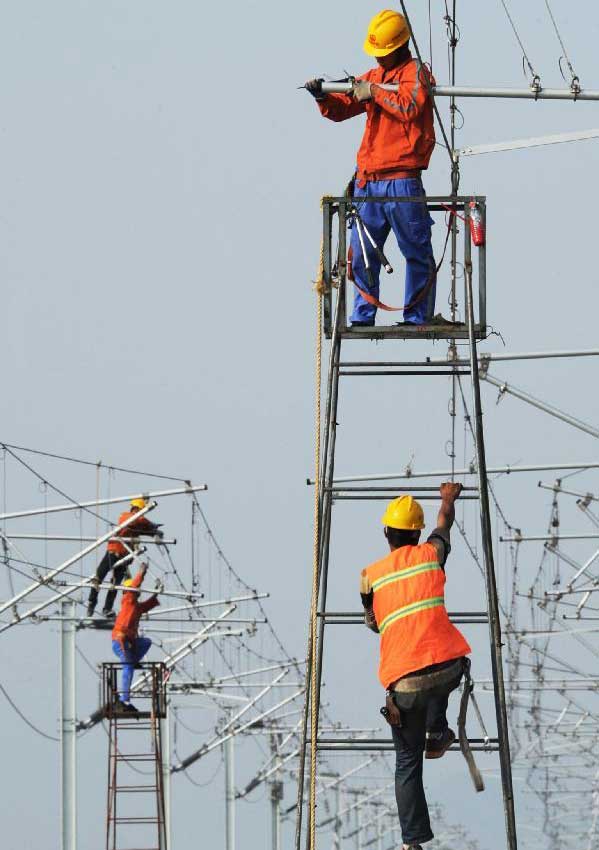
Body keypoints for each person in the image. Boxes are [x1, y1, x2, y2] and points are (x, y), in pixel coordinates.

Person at [305, 9, 437, 327]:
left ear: (397, 48)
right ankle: (363, 316)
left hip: (402, 180)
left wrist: (374, 93)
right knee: (362, 254)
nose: (378, 60)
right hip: (369, 183)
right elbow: (342, 109)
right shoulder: (374, 77)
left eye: (383, 54)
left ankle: (416, 316)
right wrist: (323, 96)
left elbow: (409, 107)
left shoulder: (415, 74)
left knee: (416, 252)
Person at [359, 484, 471, 850]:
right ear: (416, 532)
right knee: (442, 671)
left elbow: (373, 622)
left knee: (407, 762)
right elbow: (445, 523)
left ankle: (413, 842)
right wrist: (448, 498)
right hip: (445, 668)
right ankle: (438, 731)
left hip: (403, 683)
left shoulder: (371, 575)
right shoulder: (431, 554)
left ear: (386, 534)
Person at [87, 497, 163, 618]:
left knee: (115, 584)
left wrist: (155, 531)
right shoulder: (126, 517)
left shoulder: (137, 524)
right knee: (98, 577)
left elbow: (144, 528)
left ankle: (107, 609)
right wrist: (149, 523)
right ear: (136, 509)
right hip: (113, 553)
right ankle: (92, 602)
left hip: (124, 557)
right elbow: (138, 521)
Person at [111, 562, 160, 713]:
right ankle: (123, 700)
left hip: (128, 642)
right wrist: (141, 573)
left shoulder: (135, 607)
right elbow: (132, 589)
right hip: (120, 641)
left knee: (146, 642)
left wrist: (157, 592)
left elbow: (147, 605)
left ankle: (133, 660)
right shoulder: (127, 601)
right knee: (128, 667)